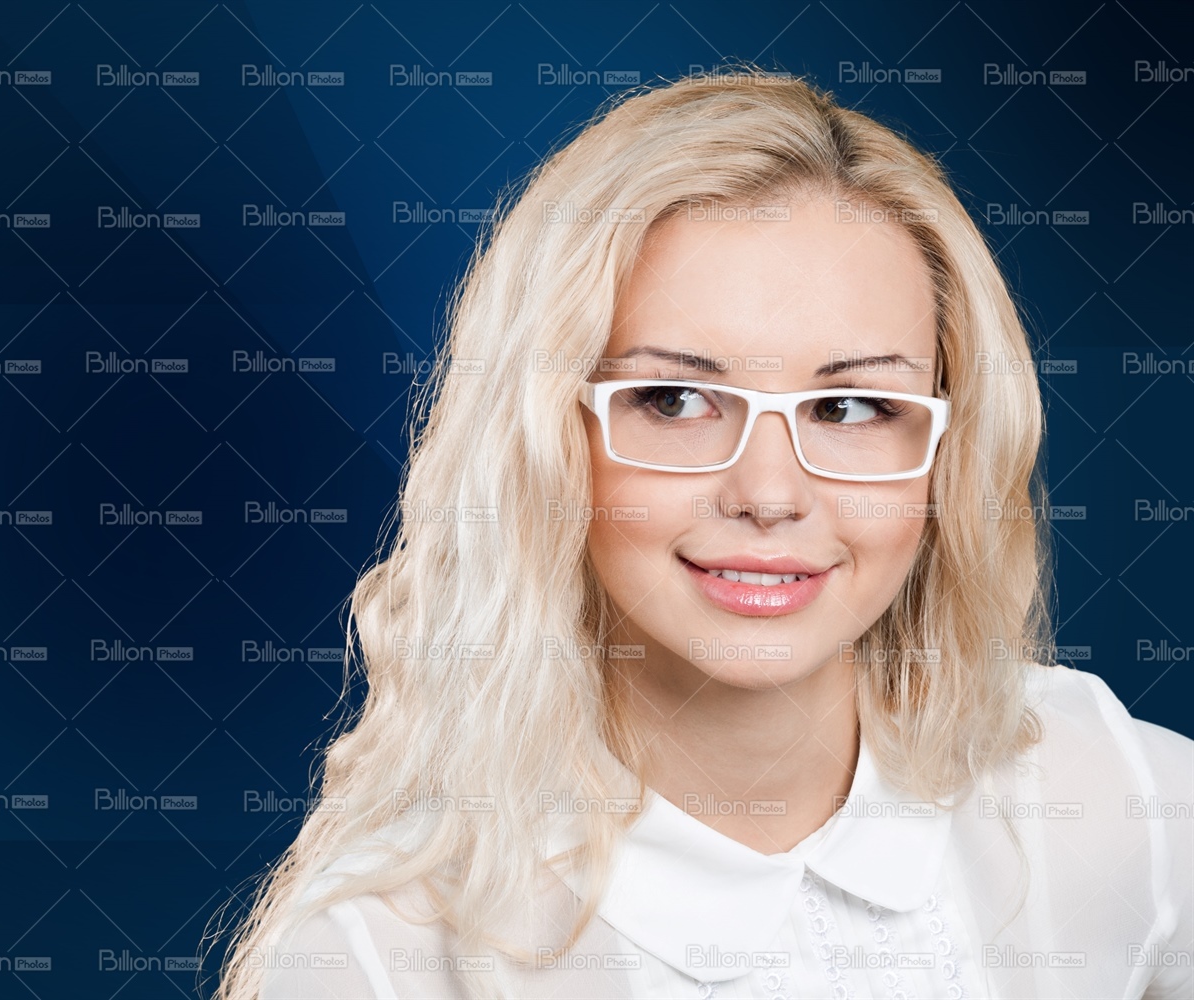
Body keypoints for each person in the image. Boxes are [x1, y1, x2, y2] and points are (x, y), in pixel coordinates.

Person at [209, 69, 1193, 999]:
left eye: (849, 407)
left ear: (949, 452)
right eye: (674, 400)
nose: (769, 495)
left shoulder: (1116, 800)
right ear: (546, 438)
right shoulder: (378, 958)